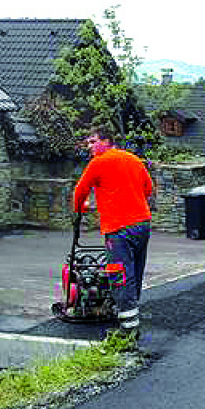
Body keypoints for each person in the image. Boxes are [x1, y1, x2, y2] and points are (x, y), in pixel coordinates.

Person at [72, 129, 154, 330]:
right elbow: (148, 189)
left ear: (106, 141)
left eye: (93, 141)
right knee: (135, 270)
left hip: (119, 228)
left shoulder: (99, 163)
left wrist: (78, 210)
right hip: (142, 224)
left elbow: (80, 191)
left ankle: (127, 329)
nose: (89, 146)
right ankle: (131, 310)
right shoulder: (134, 160)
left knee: (120, 275)